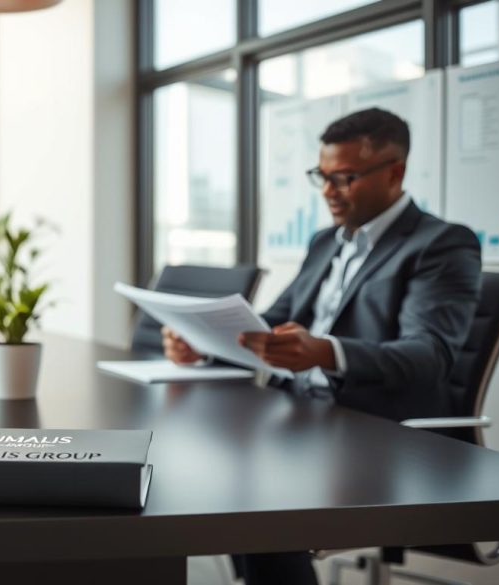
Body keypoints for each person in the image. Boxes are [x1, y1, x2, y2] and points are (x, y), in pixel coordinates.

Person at [163, 108, 482, 585]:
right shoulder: (324, 242)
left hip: (375, 430)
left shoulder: (440, 244)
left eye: (345, 178)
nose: (329, 192)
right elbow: (272, 321)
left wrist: (327, 352)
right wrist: (203, 342)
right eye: (323, 177)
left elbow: (428, 355)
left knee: (257, 499)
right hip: (298, 414)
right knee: (203, 466)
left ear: (395, 172)